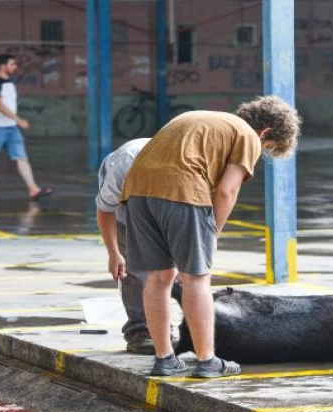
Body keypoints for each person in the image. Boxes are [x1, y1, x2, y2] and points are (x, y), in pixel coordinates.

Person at [121, 96, 301, 378]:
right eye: (267, 147)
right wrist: (212, 232)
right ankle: (207, 361)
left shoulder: (199, 119)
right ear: (265, 132)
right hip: (182, 190)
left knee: (158, 278)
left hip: (136, 191)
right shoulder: (247, 135)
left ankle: (165, 358)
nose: (261, 150)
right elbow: (227, 191)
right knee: (196, 279)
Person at [95, 138, 181, 354]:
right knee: (134, 269)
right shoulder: (123, 167)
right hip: (123, 210)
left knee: (173, 271)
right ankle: (139, 330)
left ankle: (166, 327)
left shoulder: (185, 170)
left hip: (173, 209)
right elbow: (105, 211)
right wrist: (114, 253)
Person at [0, 53, 52, 201]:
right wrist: (18, 120)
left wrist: (14, 122)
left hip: (11, 128)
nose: (15, 67)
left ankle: (33, 189)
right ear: (2, 66)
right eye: (12, 64)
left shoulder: (10, 83)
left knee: (21, 158)